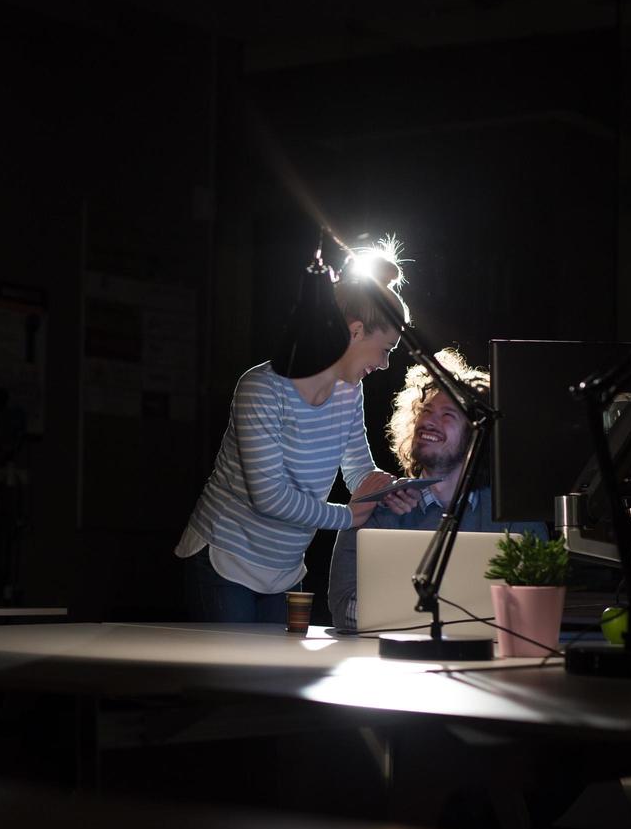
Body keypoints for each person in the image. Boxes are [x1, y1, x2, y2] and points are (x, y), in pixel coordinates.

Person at [176, 238, 421, 623]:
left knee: (278, 680)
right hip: (225, 561)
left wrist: (386, 491)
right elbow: (269, 498)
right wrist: (348, 515)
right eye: (386, 349)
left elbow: (358, 469)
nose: (386, 364)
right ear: (355, 332)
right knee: (238, 682)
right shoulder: (262, 387)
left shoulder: (350, 391)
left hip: (286, 571)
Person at [327, 350, 548, 632]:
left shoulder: (516, 517)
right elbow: (343, 608)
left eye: (448, 415)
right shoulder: (375, 508)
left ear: (476, 435)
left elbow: (539, 611)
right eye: (426, 411)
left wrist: (409, 617)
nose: (429, 421)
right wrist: (440, 624)